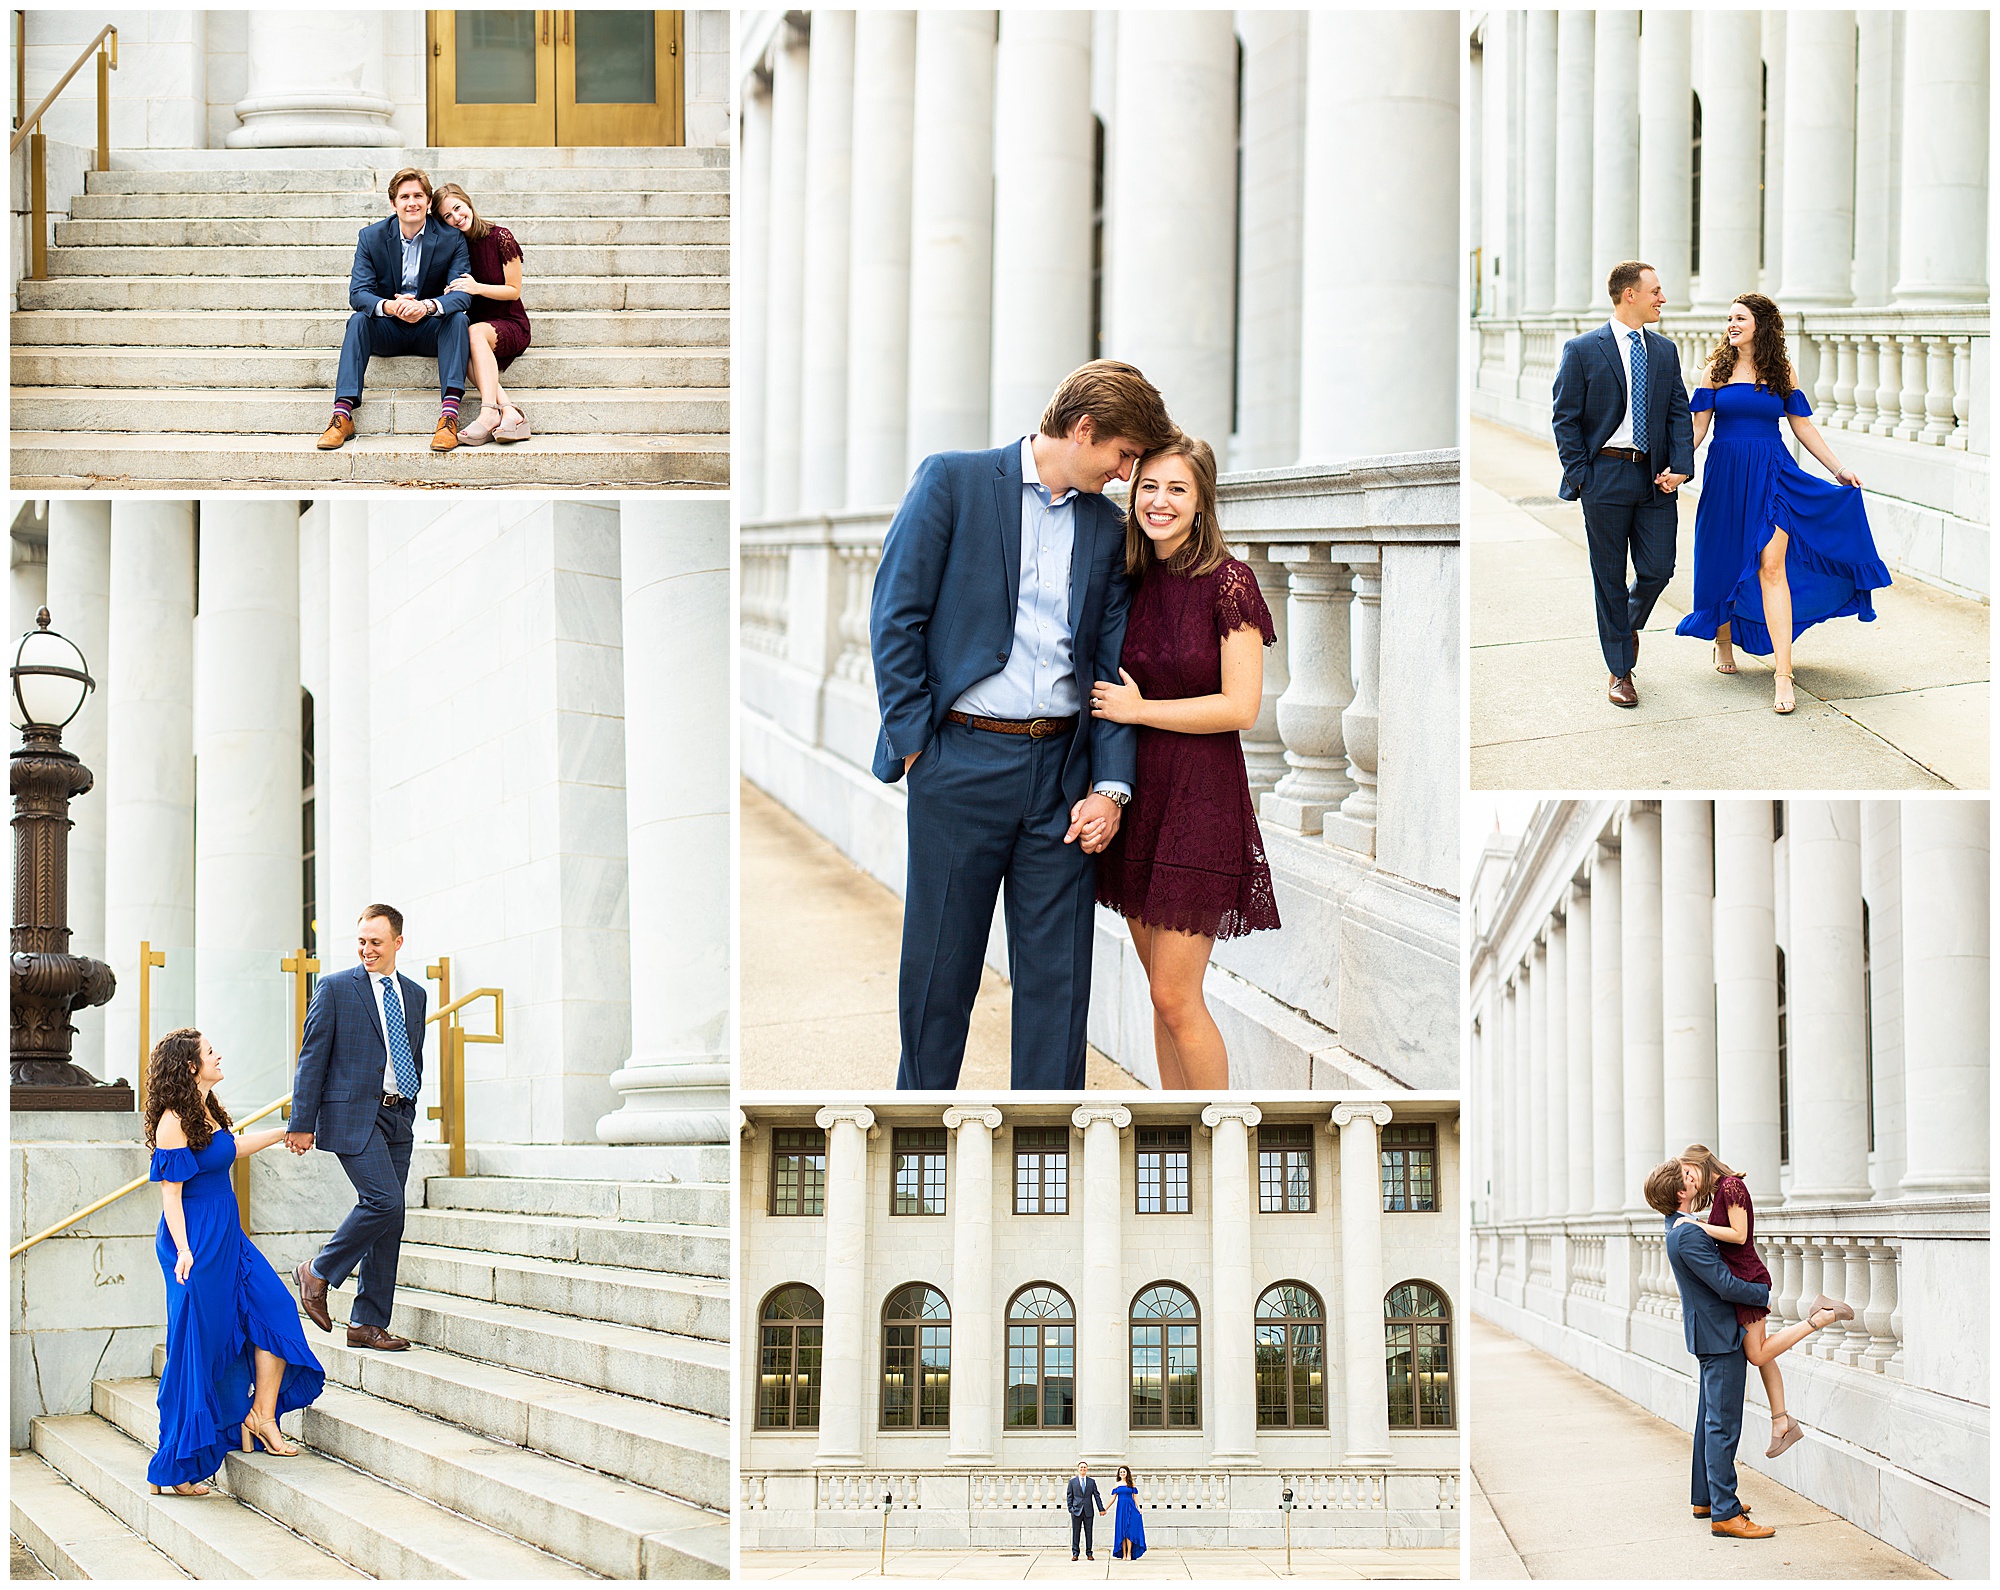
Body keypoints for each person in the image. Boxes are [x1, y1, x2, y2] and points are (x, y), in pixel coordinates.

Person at [869, 360, 1177, 1090]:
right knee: (940, 974)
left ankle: (1045, 1166)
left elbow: (1111, 661)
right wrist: (919, 748)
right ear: (1084, 429)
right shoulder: (953, 481)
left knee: (1058, 987)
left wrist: (1110, 785)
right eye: (1125, 455)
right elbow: (895, 615)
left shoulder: (1107, 528)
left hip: (1063, 780)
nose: (1128, 475)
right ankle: (922, 1143)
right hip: (959, 765)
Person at [1089, 432, 1279, 1089]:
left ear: (1202, 502)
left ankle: (1219, 1142)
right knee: (1159, 997)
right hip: (1140, 798)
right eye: (1149, 486)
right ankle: (1181, 1138)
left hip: (1201, 802)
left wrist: (1139, 711)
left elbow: (1241, 706)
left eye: (1178, 489)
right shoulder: (1127, 579)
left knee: (1178, 997)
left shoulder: (1230, 583)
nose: (1160, 501)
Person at [1672, 294, 1890, 715]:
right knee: (1722, 557)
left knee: (1772, 566)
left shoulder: (1781, 370)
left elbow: (1801, 425)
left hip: (1772, 474)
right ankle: (1722, 639)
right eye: (1729, 318)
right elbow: (1697, 430)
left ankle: (1782, 675)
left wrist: (1839, 469)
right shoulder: (1713, 371)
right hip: (1726, 475)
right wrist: (1679, 470)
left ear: (1761, 325)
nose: (1731, 324)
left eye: (1740, 318)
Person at [146, 1028, 323, 1495]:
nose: (218, 1055)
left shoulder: (205, 1108)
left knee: (276, 1309)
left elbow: (232, 1147)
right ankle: (181, 1465)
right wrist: (185, 1250)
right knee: (197, 1350)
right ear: (189, 1066)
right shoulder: (172, 1120)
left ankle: (261, 1415)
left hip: (228, 1236)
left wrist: (285, 1131)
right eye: (209, 1052)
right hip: (196, 1244)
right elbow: (172, 1196)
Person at [1551, 260, 1696, 709]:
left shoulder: (1666, 351)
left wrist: (1681, 466)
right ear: (1628, 294)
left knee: (1658, 569)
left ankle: (1623, 625)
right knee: (1609, 576)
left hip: (1654, 478)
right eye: (1655, 290)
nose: (1662, 299)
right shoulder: (1582, 350)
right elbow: (1565, 419)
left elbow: (1678, 412)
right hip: (1605, 476)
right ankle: (1620, 669)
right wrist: (1583, 476)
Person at [288, 904, 428, 1351]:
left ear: (398, 943)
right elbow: (312, 1059)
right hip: (353, 1114)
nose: (367, 950)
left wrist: (411, 1099)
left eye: (377, 942)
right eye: (362, 941)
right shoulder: (334, 989)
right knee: (383, 1201)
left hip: (397, 1113)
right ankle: (318, 1272)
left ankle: (367, 1322)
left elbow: (412, 1052)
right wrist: (301, 1122)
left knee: (392, 1217)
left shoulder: (415, 995)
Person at [1675, 1145, 1853, 1459]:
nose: (1690, 1181)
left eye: (1690, 1173)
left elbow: (1740, 1235)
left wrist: (1698, 1226)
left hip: (1747, 1279)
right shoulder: (1722, 1191)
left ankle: (1821, 1316)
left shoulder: (1731, 1186)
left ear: (1702, 1162)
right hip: (1741, 1279)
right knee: (1763, 1349)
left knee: (1757, 1354)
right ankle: (1780, 1421)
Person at [318, 166, 472, 455]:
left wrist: (426, 306)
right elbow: (358, 293)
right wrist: (390, 306)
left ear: (428, 202)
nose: (411, 202)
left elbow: (461, 294)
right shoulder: (371, 237)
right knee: (358, 321)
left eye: (418, 196)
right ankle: (342, 416)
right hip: (389, 328)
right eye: (404, 197)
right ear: (393, 203)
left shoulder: (451, 238)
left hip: (431, 329)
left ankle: (449, 417)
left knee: (459, 319)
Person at [433, 182, 533, 446]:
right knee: (461, 345)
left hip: (510, 323)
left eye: (457, 208)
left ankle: (488, 412)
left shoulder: (500, 237)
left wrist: (476, 288)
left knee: (473, 332)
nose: (456, 218)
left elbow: (514, 290)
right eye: (447, 216)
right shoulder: (453, 248)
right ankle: (510, 411)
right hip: (479, 327)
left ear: (467, 203)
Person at [1065, 1460, 1107, 1561]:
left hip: (1088, 1511)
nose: (1083, 1469)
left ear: (1087, 1469)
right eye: (1081, 1467)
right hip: (1076, 1511)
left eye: (1085, 1467)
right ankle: (1075, 1553)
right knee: (1076, 1532)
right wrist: (1070, 1508)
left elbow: (1097, 1496)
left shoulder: (1091, 1482)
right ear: (1078, 1469)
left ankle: (1089, 1553)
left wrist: (1101, 1509)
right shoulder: (1072, 1482)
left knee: (1089, 1533)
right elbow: (1069, 1496)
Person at [1109, 1465, 1147, 1561]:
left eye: (1124, 1472)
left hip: (1130, 1508)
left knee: (1129, 1531)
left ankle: (1129, 1553)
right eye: (1121, 1472)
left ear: (1127, 1473)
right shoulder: (1117, 1484)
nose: (1122, 1473)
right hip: (1120, 1509)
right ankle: (1124, 1554)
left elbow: (1135, 1498)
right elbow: (1113, 1498)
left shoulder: (1132, 1484)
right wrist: (1105, 1509)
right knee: (1122, 1532)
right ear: (1119, 1474)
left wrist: (1139, 1508)